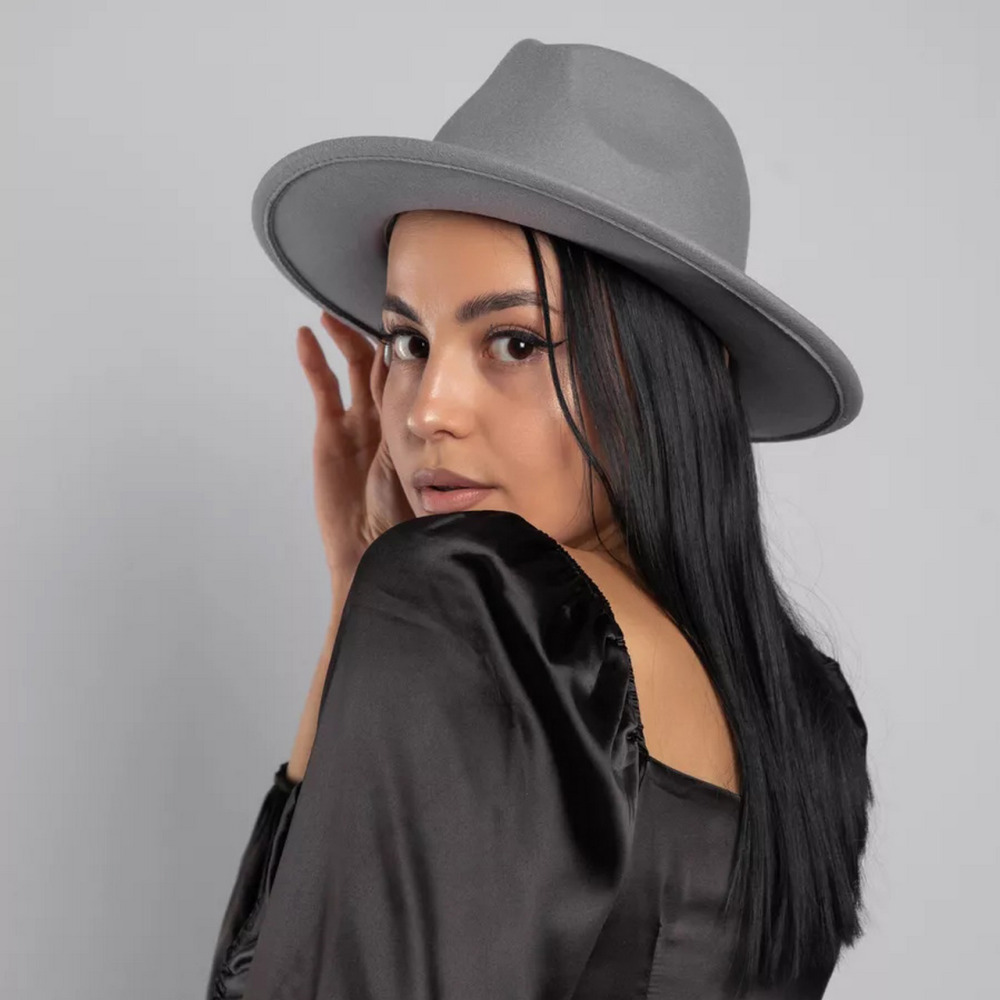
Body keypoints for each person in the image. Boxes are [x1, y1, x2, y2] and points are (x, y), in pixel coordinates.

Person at [205, 40, 873, 1000]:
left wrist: (387, 594)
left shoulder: (472, 603)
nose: (427, 410)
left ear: (671, 378)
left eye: (514, 343)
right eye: (408, 341)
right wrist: (358, 588)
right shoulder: (810, 719)